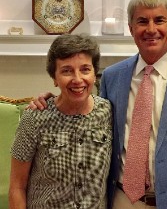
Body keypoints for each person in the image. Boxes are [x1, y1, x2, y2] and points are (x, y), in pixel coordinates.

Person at [28, 0, 167, 209]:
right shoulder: (112, 77)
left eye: (159, 20)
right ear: (131, 29)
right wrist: (49, 103)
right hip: (121, 199)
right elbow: (88, 116)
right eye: (142, 21)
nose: (151, 29)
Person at [9, 34, 113, 209]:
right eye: (67, 70)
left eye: (85, 69)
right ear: (54, 78)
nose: (78, 79)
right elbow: (17, 187)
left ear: (94, 74)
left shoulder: (109, 112)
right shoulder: (35, 117)